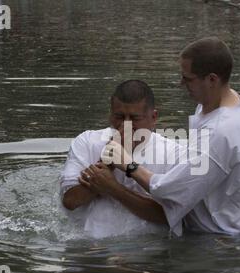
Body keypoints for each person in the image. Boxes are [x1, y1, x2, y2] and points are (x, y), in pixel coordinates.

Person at [85, 37, 240, 237]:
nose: (180, 83)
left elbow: (167, 190)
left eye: (188, 78)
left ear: (212, 79)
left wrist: (126, 163)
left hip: (221, 238)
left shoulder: (222, 131)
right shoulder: (224, 101)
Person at [60, 80, 180, 237]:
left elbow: (171, 215)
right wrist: (109, 160)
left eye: (135, 118)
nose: (126, 125)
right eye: (119, 117)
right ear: (110, 114)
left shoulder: (171, 152)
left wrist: (113, 188)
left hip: (143, 249)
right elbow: (70, 201)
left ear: (153, 117)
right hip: (88, 246)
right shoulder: (87, 141)